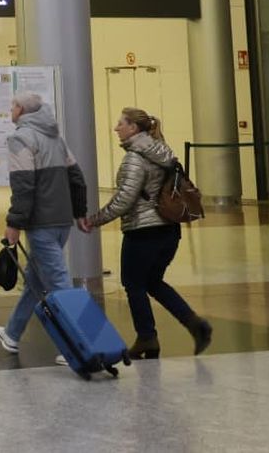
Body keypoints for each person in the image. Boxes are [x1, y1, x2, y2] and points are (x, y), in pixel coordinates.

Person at [86, 107, 212, 358]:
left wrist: (94, 220)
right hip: (169, 230)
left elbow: (124, 200)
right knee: (152, 282)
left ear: (134, 128)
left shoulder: (135, 158)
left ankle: (147, 338)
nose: (116, 128)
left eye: (121, 123)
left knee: (133, 284)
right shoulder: (163, 152)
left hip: (144, 231)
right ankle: (195, 324)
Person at [0, 92, 88, 355]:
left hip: (41, 223)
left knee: (59, 284)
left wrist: (14, 223)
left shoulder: (21, 138)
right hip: (61, 221)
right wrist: (79, 212)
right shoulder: (55, 137)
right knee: (36, 279)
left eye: (12, 106)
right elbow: (77, 178)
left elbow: (23, 185)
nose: (10, 110)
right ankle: (12, 333)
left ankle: (77, 348)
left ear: (21, 109)